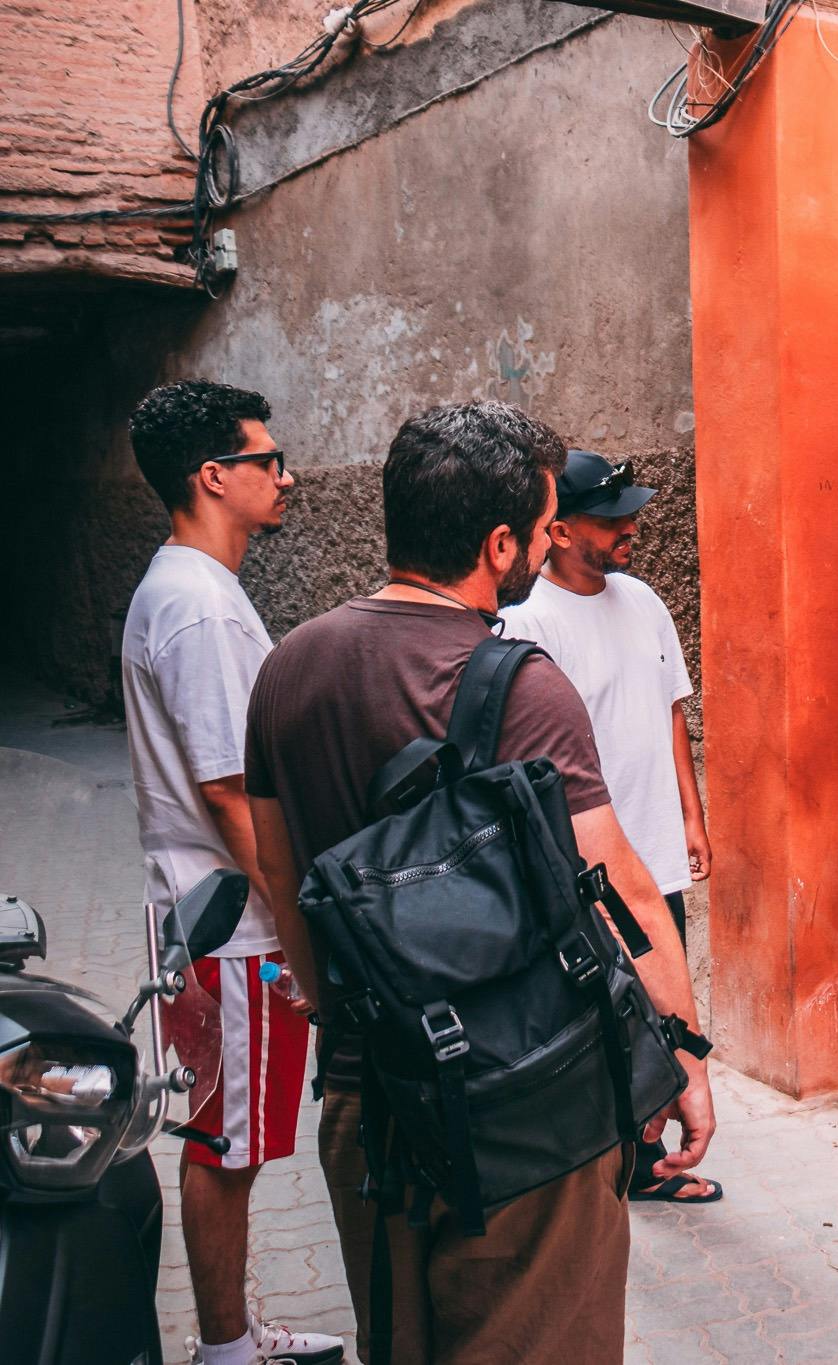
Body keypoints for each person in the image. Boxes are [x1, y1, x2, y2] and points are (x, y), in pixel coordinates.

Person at [243, 403, 716, 1363]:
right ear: (498, 543)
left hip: (368, 1095)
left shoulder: (287, 667)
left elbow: (278, 870)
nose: (549, 547)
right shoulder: (518, 683)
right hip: (520, 1104)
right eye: (542, 531)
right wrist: (684, 1054)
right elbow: (619, 884)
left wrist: (342, 1013)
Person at [119, 380, 345, 1365]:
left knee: (233, 1140)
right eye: (267, 459)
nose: (285, 475)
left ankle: (237, 1331)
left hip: (213, 920)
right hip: (235, 927)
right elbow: (229, 793)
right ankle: (224, 1350)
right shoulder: (198, 607)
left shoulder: (190, 588)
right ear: (214, 477)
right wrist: (299, 928)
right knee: (225, 1143)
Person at [500, 449, 720, 1205]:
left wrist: (691, 817)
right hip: (590, 868)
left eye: (632, 512)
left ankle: (645, 1160)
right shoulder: (526, 624)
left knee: (662, 1016)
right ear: (557, 530)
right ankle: (609, 1168)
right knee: (603, 1022)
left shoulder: (644, 600)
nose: (631, 526)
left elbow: (671, 711)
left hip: (655, 858)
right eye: (610, 517)